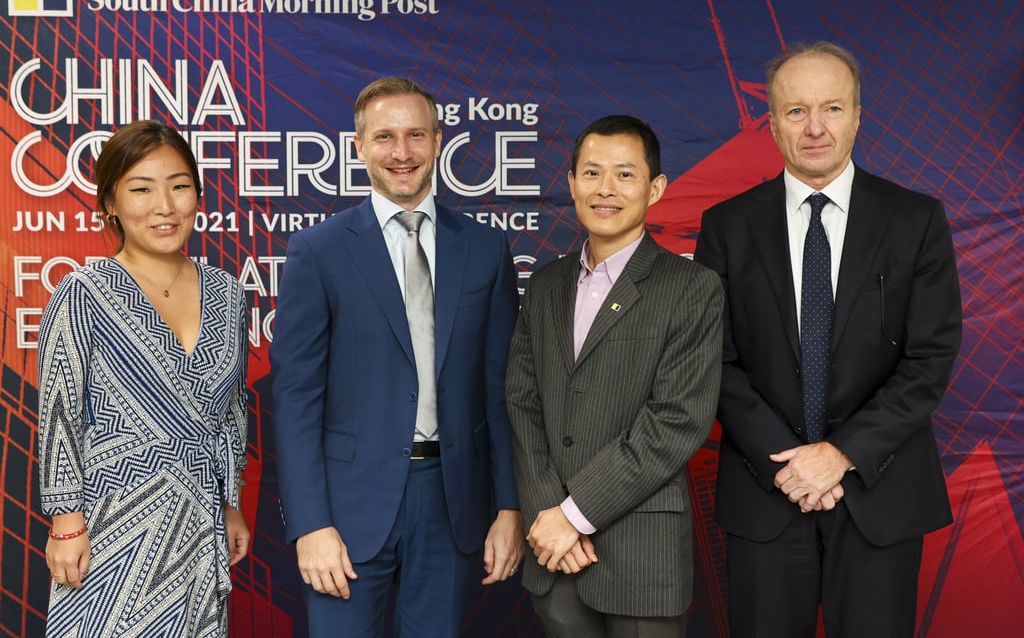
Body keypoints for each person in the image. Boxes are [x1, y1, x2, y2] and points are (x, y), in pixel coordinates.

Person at [694, 41, 962, 637]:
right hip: (767, 494)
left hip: (880, 493)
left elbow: (929, 359)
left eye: (833, 109)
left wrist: (838, 456)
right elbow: (712, 359)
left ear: (859, 116)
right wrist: (794, 468)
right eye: (796, 111)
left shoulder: (917, 220)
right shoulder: (727, 225)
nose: (815, 128)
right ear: (772, 123)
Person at [270, 76, 523, 637]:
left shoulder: (484, 248)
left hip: (454, 501)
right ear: (359, 147)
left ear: (438, 141)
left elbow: (502, 392)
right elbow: (295, 401)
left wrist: (510, 507)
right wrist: (310, 524)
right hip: (346, 507)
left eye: (415, 135)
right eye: (385, 137)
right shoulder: (319, 251)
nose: (401, 153)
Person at [506, 115, 724, 637]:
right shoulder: (545, 284)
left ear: (655, 188)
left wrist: (574, 516)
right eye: (592, 173)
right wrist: (547, 516)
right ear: (573, 182)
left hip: (641, 556)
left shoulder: (691, 287)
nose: (606, 189)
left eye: (625, 175)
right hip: (553, 554)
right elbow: (521, 400)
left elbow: (676, 421)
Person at [36, 120, 250, 637]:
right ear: (109, 201)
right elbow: (61, 413)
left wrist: (230, 502)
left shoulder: (227, 291)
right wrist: (65, 521)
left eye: (179, 186)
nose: (165, 206)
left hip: (200, 521)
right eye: (141, 189)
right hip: (112, 523)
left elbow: (232, 410)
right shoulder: (82, 292)